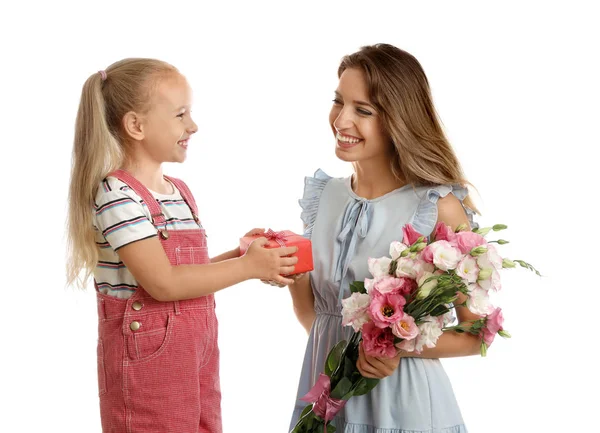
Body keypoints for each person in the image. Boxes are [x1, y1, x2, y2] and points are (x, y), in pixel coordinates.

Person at [66, 58, 298, 433]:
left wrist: (243, 257)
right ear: (136, 126)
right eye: (180, 114)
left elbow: (188, 277)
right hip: (148, 366)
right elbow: (163, 284)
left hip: (196, 355)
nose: (193, 125)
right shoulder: (117, 195)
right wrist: (247, 267)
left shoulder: (178, 191)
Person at [286, 44, 481, 432]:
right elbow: (320, 320)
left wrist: (399, 348)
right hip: (327, 401)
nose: (341, 120)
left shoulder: (436, 206)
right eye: (338, 101)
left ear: (399, 119)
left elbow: (476, 333)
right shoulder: (324, 198)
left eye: (363, 110)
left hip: (403, 408)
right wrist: (291, 270)